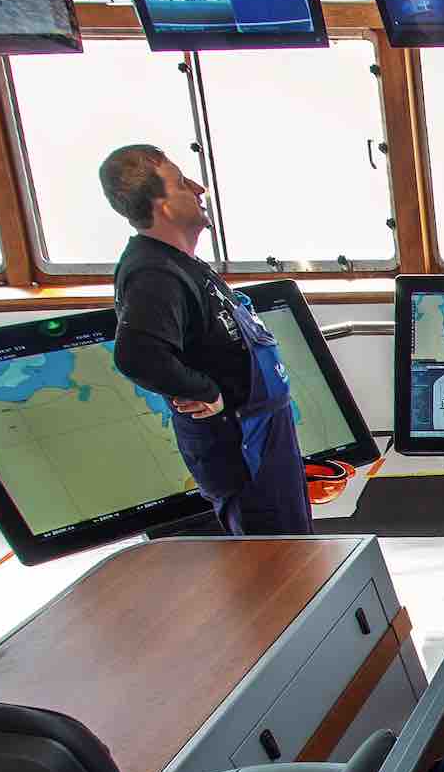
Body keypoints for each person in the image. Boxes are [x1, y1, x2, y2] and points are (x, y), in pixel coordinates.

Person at [100, 144, 310, 537]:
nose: (198, 188)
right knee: (273, 561)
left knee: (292, 543)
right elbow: (137, 355)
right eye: (181, 183)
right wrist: (204, 391)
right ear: (161, 205)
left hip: (260, 435)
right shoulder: (153, 272)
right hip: (240, 445)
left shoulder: (180, 263)